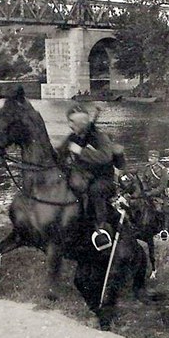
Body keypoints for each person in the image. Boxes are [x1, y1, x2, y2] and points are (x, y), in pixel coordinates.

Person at [57, 104, 116, 249]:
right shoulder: (73, 138)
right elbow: (59, 155)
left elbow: (105, 157)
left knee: (95, 190)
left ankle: (101, 230)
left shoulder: (100, 137)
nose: (70, 126)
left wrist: (80, 152)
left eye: (73, 123)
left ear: (82, 123)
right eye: (69, 122)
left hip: (103, 180)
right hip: (82, 177)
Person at [142, 150, 169, 241]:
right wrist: (145, 190)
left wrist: (151, 193)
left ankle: (164, 229)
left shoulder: (163, 170)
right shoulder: (146, 168)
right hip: (148, 193)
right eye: (149, 157)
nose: (149, 159)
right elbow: (144, 180)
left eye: (152, 158)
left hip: (160, 195)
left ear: (157, 159)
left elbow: (162, 186)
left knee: (161, 209)